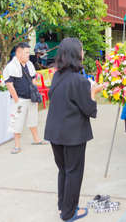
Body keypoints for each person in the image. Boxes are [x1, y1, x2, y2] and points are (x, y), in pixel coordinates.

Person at [44, 38, 103, 222]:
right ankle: (69, 213)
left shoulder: (57, 76)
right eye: (82, 50)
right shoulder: (80, 81)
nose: (83, 53)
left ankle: (64, 206)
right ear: (75, 54)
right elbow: (90, 110)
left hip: (55, 132)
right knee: (74, 172)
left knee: (63, 171)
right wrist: (93, 92)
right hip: (73, 135)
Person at [3, 42, 46, 154]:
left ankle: (36, 139)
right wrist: (16, 100)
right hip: (19, 99)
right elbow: (9, 84)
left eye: (28, 52)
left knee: (33, 119)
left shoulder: (30, 64)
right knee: (17, 121)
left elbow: (33, 78)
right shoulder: (11, 67)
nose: (28, 55)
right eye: (26, 52)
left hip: (31, 98)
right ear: (18, 52)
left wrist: (34, 91)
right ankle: (17, 145)